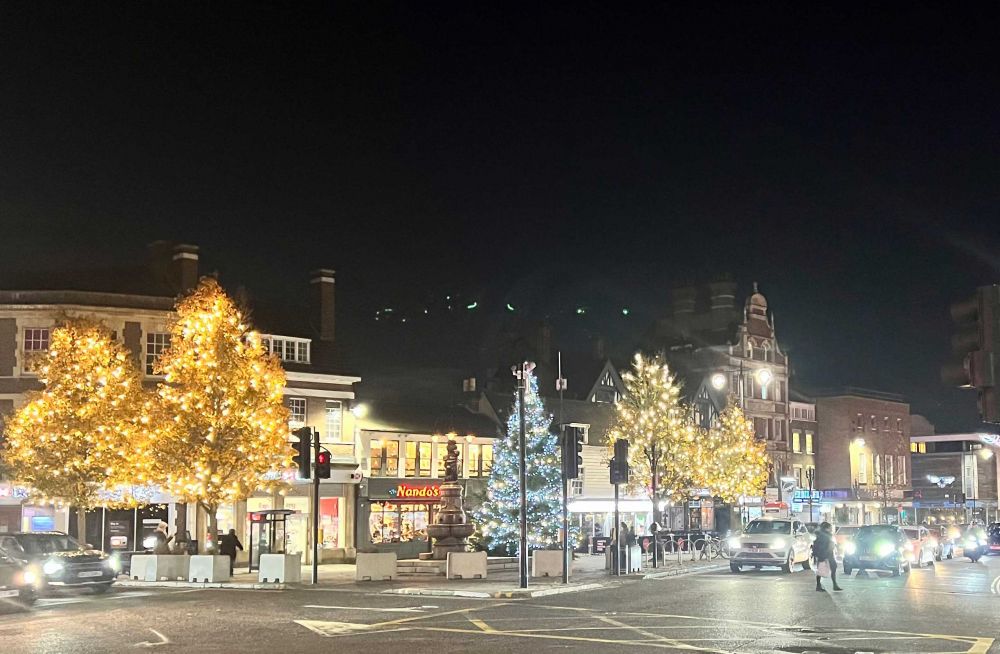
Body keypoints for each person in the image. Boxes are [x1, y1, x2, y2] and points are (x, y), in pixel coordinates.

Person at [812, 521, 841, 591]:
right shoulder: (824, 536)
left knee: (828, 568)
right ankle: (819, 586)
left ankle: (834, 585)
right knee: (822, 570)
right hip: (826, 555)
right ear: (826, 528)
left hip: (826, 555)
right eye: (830, 527)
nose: (831, 529)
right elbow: (824, 546)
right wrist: (824, 556)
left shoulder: (824, 535)